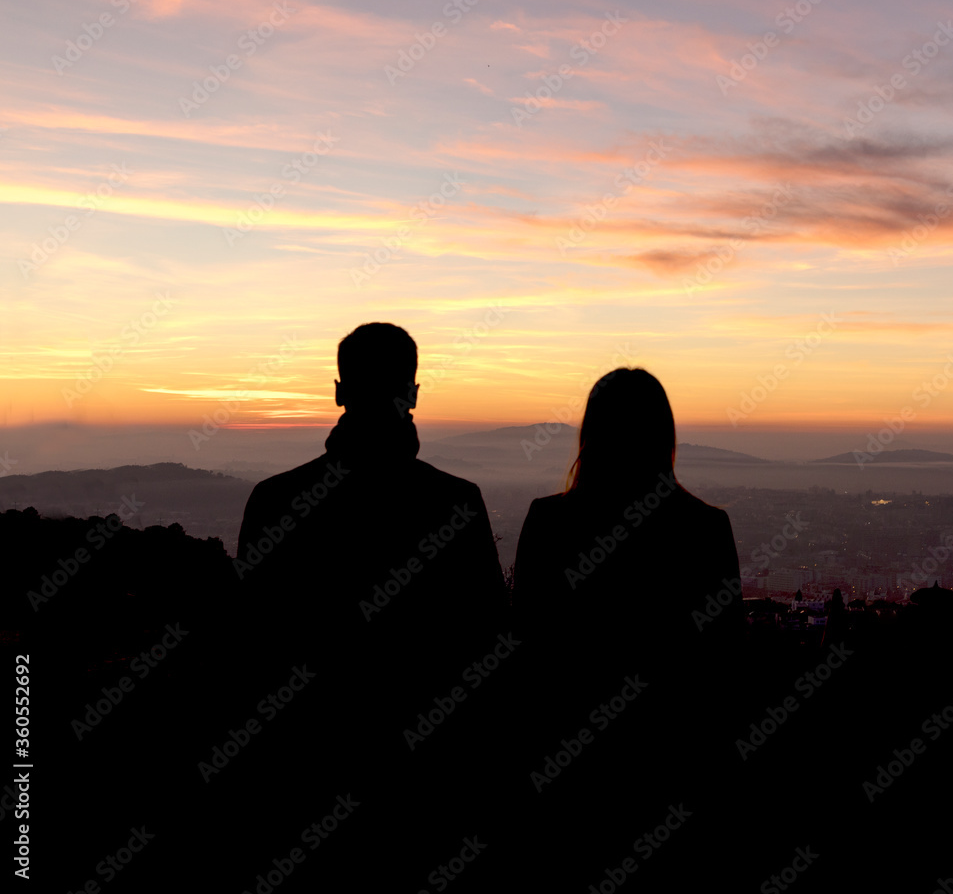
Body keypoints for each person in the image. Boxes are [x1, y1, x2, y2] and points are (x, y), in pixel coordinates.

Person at [206, 323, 507, 890]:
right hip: (426, 789)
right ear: (414, 393)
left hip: (299, 776)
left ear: (339, 391)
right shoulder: (454, 502)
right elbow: (487, 648)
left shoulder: (275, 500)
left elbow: (247, 652)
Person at [509, 367, 745, 886]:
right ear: (665, 438)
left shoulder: (549, 523)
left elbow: (522, 656)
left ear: (590, 434)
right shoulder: (705, 529)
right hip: (672, 771)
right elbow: (724, 670)